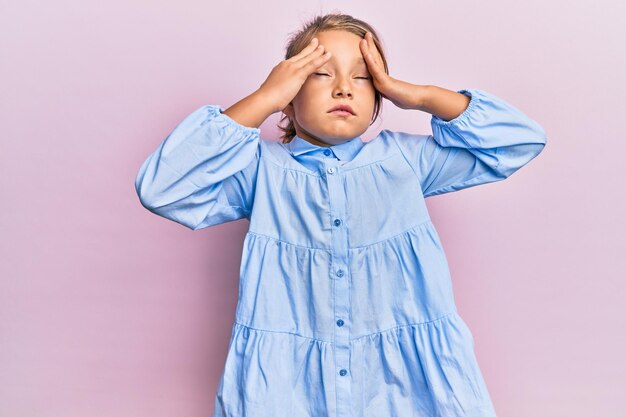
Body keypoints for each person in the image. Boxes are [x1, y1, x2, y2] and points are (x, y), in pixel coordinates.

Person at [135, 12, 547, 417]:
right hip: (287, 389)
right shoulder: (261, 171)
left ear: (378, 100)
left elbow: (520, 141)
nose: (344, 89)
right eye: (319, 74)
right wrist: (262, 98)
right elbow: (162, 188)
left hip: (403, 388)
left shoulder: (405, 160)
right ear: (289, 101)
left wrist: (418, 96)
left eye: (364, 77)